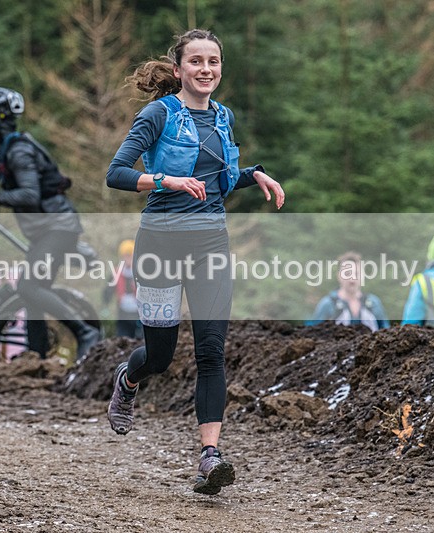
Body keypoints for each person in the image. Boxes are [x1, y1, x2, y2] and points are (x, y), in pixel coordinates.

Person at [105, 29, 285, 495]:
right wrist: (164, 180)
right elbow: (116, 173)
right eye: (196, 61)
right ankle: (128, 378)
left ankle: (210, 457)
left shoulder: (223, 116)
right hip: (160, 245)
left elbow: (217, 179)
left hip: (210, 245)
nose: (206, 69)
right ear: (179, 68)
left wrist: (253, 174)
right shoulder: (159, 114)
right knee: (160, 357)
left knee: (210, 350)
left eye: (214, 62)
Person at [0, 86, 101, 361]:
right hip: (50, 230)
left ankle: (84, 332)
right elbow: (0, 171)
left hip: (57, 228)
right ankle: (36, 356)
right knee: (32, 295)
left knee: (29, 287)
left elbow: (30, 194)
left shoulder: (19, 151)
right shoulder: (12, 149)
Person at [305, 251, 389, 332]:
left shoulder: (374, 303)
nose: (352, 279)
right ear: (339, 276)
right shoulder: (328, 304)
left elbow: (385, 332)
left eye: (356, 274)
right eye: (347, 274)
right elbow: (315, 334)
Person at [102, 239, 142, 339]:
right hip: (123, 312)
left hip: (138, 312)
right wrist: (106, 302)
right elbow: (108, 290)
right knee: (122, 338)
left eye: (130, 255)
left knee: (139, 338)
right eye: (125, 256)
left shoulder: (140, 272)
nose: (127, 259)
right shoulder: (117, 272)